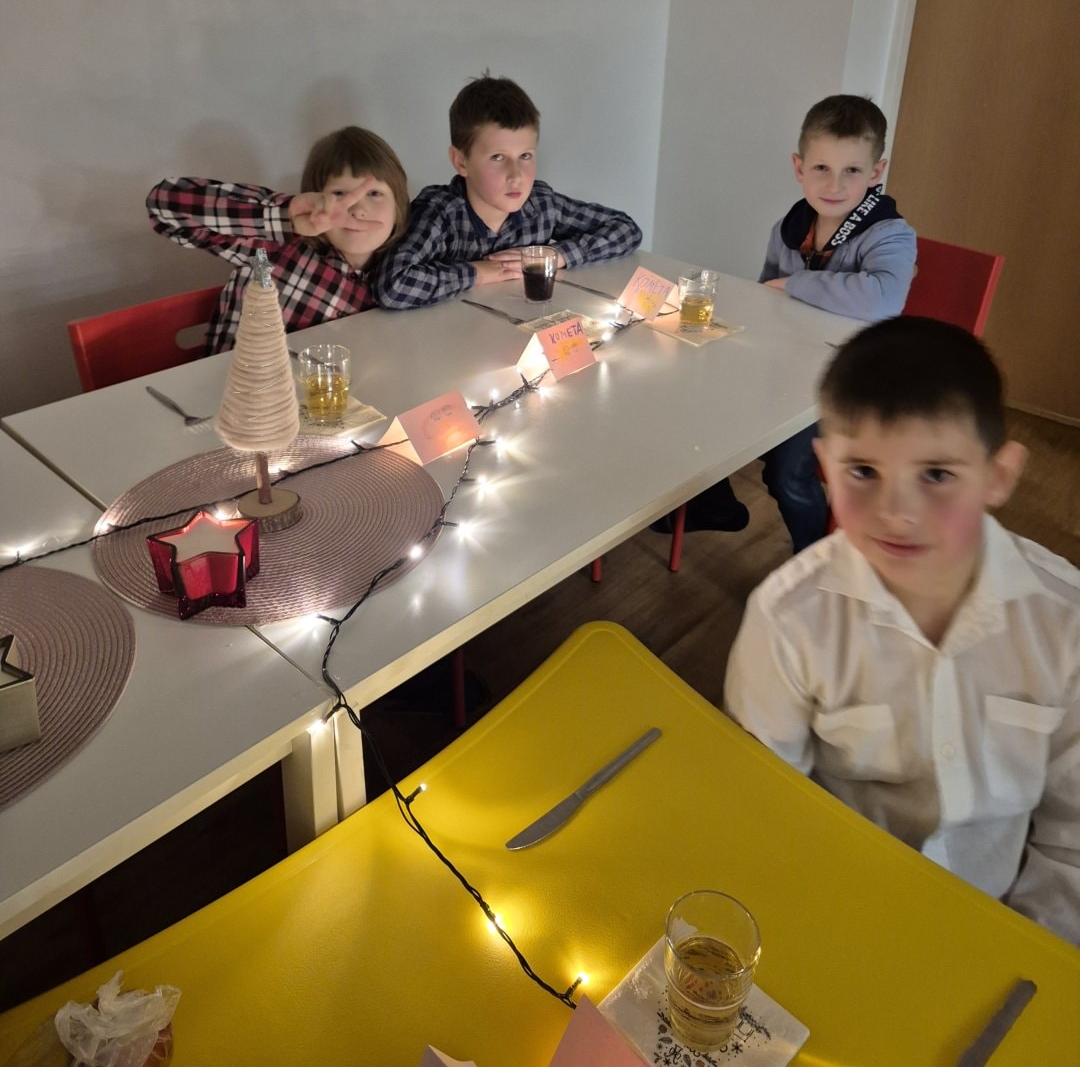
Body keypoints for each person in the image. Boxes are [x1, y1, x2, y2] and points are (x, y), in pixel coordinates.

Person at [725, 317, 1080, 945]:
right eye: (863, 471)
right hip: (834, 904)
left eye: (936, 474)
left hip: (998, 922)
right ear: (825, 468)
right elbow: (765, 803)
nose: (895, 512)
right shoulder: (787, 617)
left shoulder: (1064, 621)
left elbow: (1071, 839)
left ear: (998, 475)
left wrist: (1029, 952)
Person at [658, 94, 917, 541]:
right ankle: (716, 506)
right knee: (697, 400)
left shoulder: (889, 233)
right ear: (799, 167)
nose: (834, 184)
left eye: (852, 171)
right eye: (821, 168)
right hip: (787, 364)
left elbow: (882, 300)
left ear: (876, 172)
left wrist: (796, 284)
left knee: (786, 473)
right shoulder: (790, 227)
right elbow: (766, 294)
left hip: (849, 383)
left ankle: (815, 559)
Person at [373, 74, 641, 309]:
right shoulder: (440, 214)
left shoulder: (541, 205)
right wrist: (477, 273)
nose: (516, 176)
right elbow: (392, 286)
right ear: (461, 161)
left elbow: (625, 229)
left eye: (525, 156)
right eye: (498, 157)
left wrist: (557, 256)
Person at [147, 127, 409, 353]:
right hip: (238, 391)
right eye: (339, 193)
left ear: (398, 206)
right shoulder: (270, 248)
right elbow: (163, 206)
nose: (358, 210)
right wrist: (286, 216)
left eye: (374, 194)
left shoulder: (401, 272)